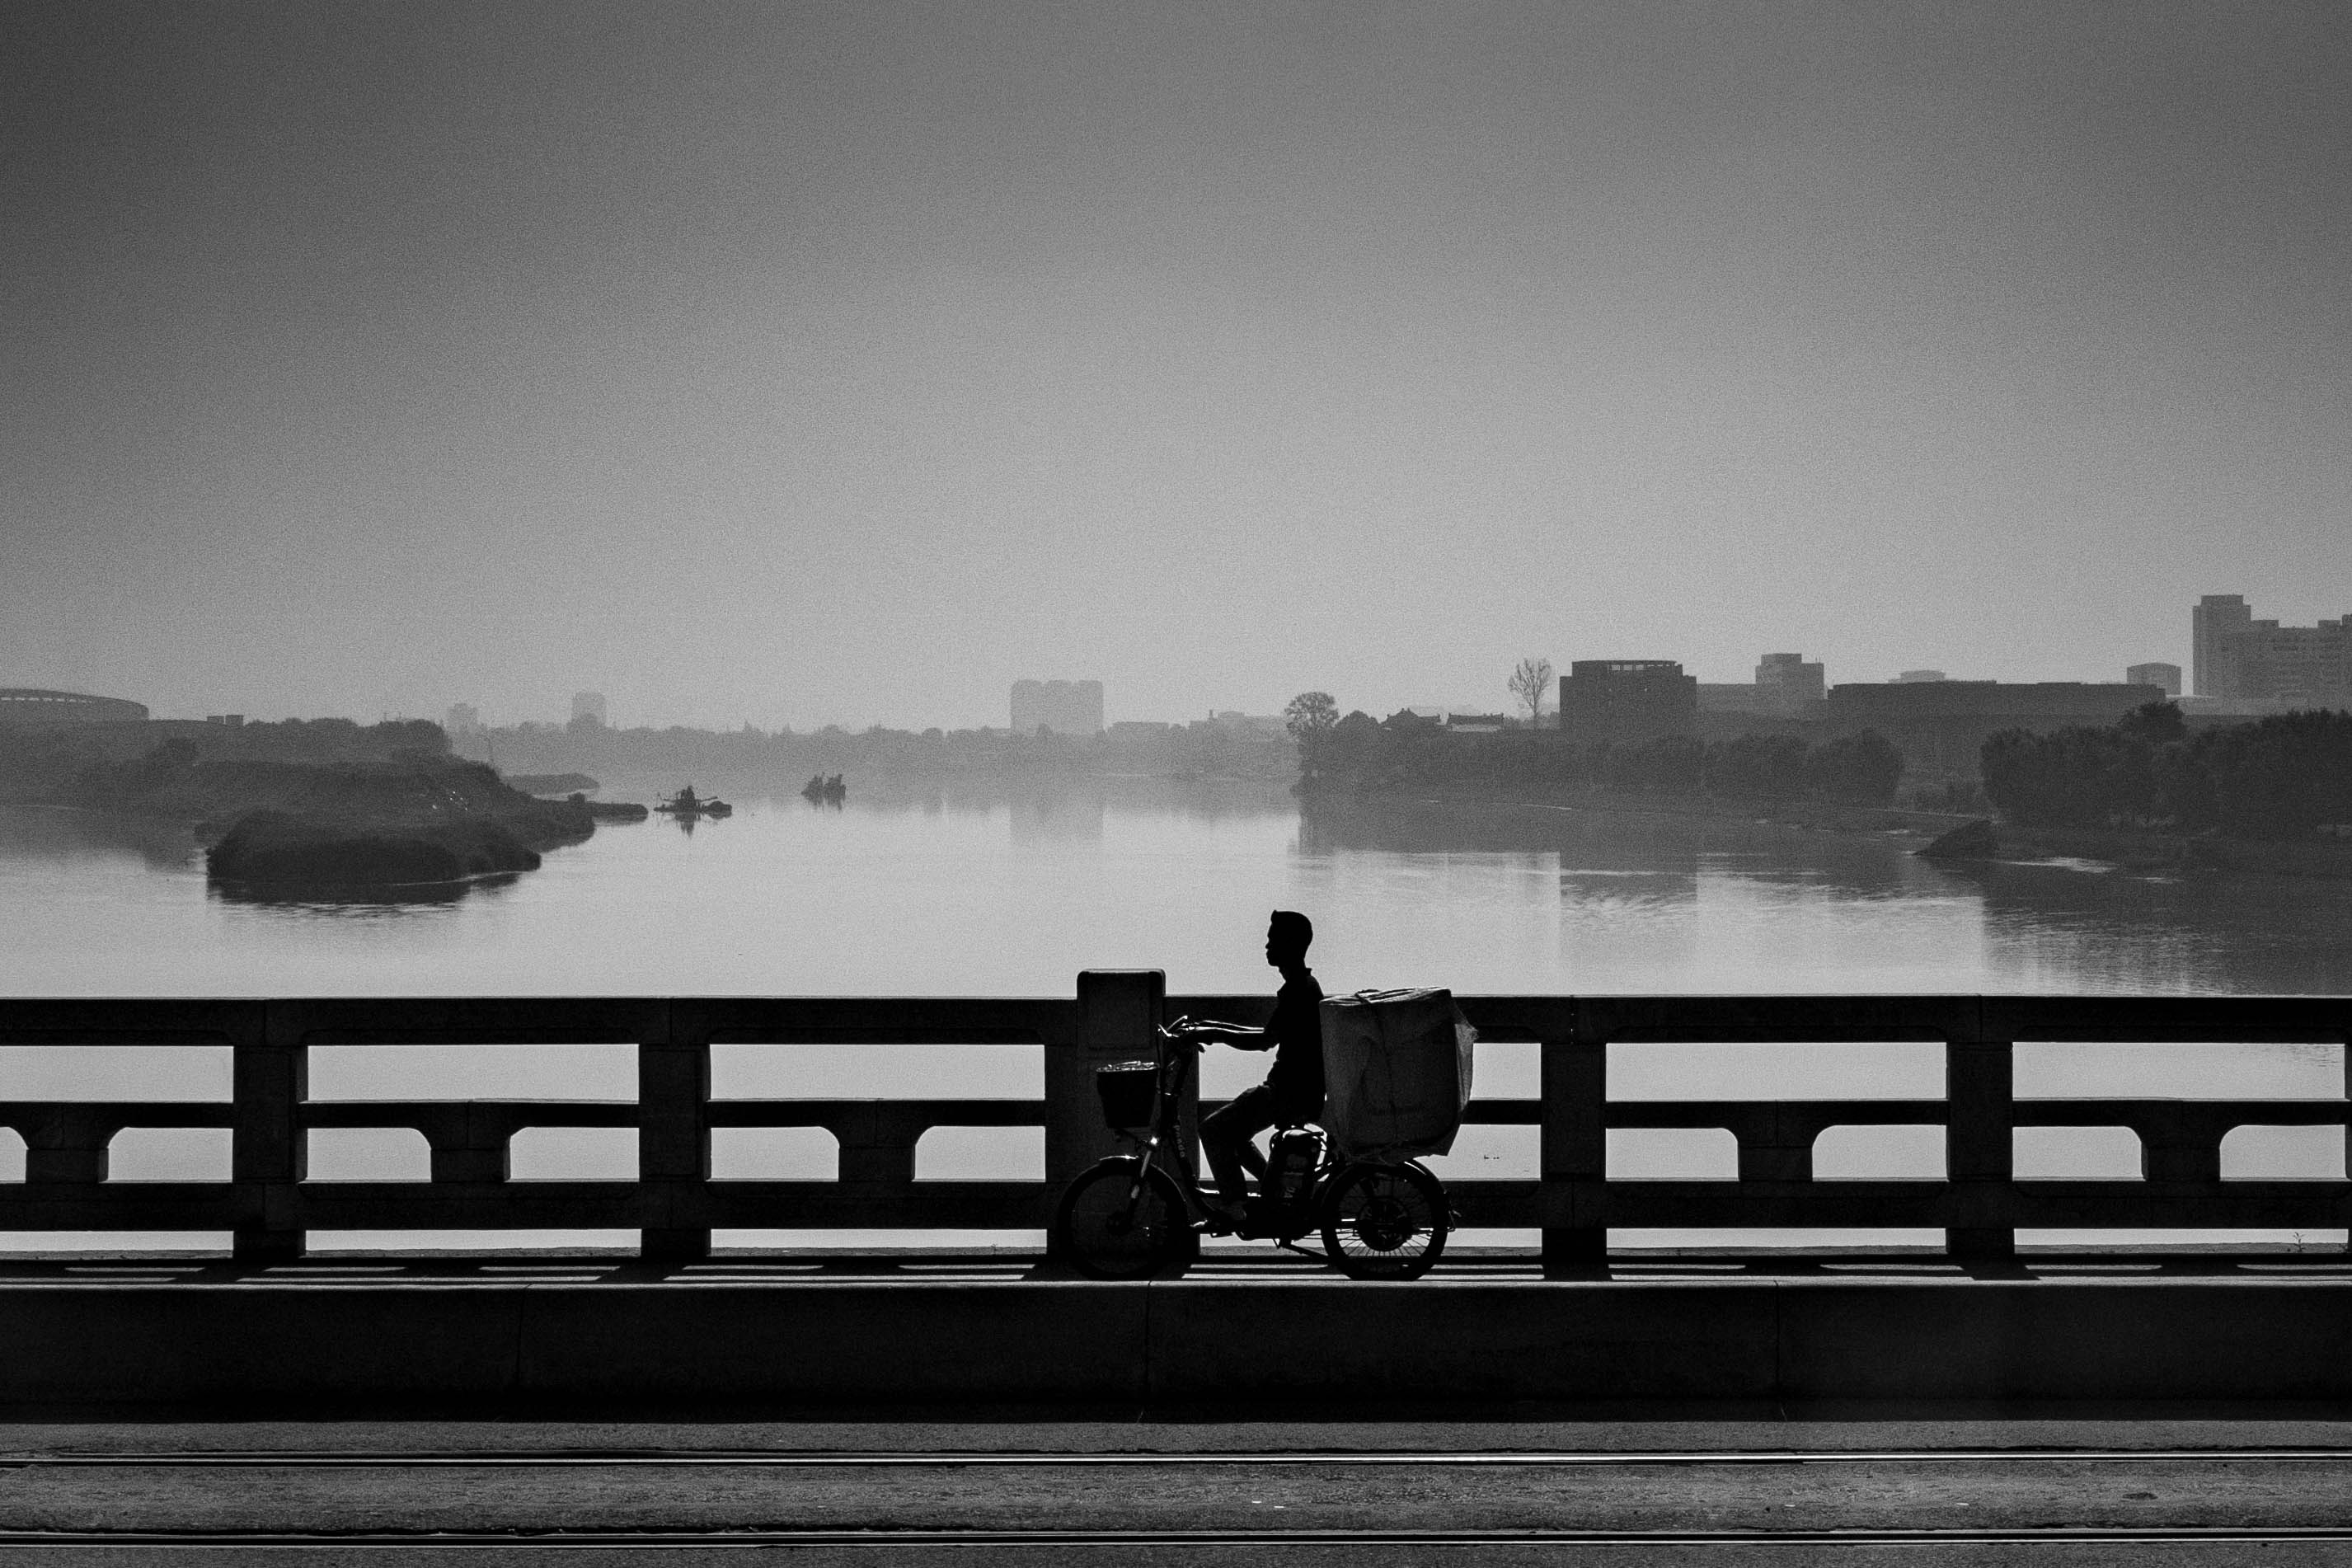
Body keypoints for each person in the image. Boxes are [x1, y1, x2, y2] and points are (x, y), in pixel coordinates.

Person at [1174, 910, 1323, 1231]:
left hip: (1288, 1092)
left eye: (1273, 940)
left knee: (1213, 1130)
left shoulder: (1298, 990)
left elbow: (1263, 1041)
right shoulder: (1301, 986)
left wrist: (1212, 1033)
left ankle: (1234, 1208)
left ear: (1291, 945)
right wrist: (1209, 1027)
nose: (1267, 946)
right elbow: (1268, 1034)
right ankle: (1274, 1197)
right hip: (1295, 1090)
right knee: (1235, 1135)